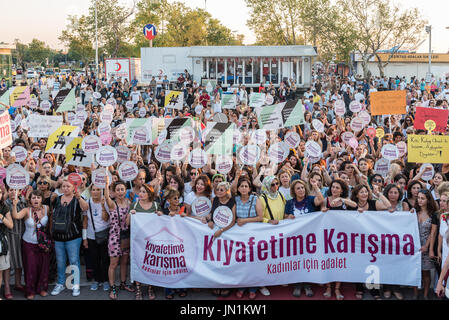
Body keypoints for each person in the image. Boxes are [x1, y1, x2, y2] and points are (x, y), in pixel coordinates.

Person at [346, 184, 391, 300]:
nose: (364, 194)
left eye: (366, 191)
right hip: (356, 240)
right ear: (356, 194)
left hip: (372, 240)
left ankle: (374, 289)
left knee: (373, 264)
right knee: (358, 263)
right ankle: (359, 288)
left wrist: (379, 193)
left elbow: (388, 206)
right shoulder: (352, 205)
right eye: (361, 192)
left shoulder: (373, 203)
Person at [284, 179, 324, 297]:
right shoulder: (289, 203)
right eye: (298, 188)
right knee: (296, 261)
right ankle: (297, 284)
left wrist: (315, 187)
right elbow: (285, 216)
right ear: (294, 191)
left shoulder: (310, 199)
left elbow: (321, 200)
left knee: (307, 261)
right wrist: (288, 217)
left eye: (302, 187)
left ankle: (307, 285)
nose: (301, 190)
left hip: (310, 237)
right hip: (295, 239)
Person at [50, 178, 88, 297]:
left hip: (73, 236)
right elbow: (52, 215)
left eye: (68, 186)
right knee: (60, 262)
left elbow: (85, 208)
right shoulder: (57, 199)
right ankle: (61, 283)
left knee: (73, 261)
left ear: (73, 188)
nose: (65, 188)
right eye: (64, 186)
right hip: (58, 236)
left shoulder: (78, 199)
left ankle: (74, 284)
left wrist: (79, 197)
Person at [321, 179, 356, 300]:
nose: (334, 189)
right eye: (333, 187)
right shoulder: (325, 200)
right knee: (328, 262)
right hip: (327, 236)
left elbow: (355, 205)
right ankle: (328, 287)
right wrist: (323, 210)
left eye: (337, 188)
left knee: (339, 263)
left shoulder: (345, 201)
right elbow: (319, 212)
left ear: (342, 190)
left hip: (342, 237)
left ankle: (337, 288)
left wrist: (342, 200)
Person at [11, 190, 50, 299]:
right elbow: (16, 216)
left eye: (38, 197)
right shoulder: (26, 210)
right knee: (30, 268)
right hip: (29, 244)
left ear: (41, 199)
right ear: (30, 200)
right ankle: (30, 290)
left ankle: (42, 288)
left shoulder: (47, 208)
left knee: (43, 267)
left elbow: (50, 223)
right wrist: (14, 205)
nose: (36, 199)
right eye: (33, 198)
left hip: (43, 244)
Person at [128, 183, 163, 300]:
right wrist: (130, 215)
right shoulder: (135, 204)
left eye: (144, 192)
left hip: (152, 242)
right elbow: (127, 223)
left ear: (149, 194)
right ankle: (138, 289)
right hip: (138, 242)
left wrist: (160, 215)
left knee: (151, 264)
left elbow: (163, 223)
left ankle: (150, 288)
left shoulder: (156, 205)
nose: (141, 194)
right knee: (138, 263)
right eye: (140, 191)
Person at [103, 179, 134, 300]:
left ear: (125, 190)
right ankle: (112, 287)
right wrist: (106, 185)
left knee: (124, 262)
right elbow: (106, 196)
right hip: (114, 237)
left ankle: (123, 283)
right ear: (114, 192)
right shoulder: (112, 204)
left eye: (122, 189)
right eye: (118, 190)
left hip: (126, 236)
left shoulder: (129, 202)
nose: (120, 192)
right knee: (113, 264)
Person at [257, 176, 287, 296]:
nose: (275, 186)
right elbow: (259, 217)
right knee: (265, 258)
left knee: (278, 256)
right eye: (272, 184)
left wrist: (287, 217)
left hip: (280, 231)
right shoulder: (262, 198)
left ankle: (277, 279)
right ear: (267, 186)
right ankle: (262, 284)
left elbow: (283, 210)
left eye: (277, 183)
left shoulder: (280, 195)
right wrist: (268, 221)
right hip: (267, 231)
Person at [234, 177, 262, 299]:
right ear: (238, 188)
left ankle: (253, 288)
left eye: (246, 186)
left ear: (250, 188)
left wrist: (245, 220)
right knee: (241, 262)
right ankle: (242, 286)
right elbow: (233, 218)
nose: (244, 188)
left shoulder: (255, 199)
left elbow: (260, 217)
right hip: (240, 237)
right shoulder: (235, 200)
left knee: (253, 262)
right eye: (242, 186)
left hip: (253, 236)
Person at [208, 181, 236, 297]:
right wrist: (209, 220)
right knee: (215, 260)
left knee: (226, 260)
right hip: (215, 234)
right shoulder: (214, 200)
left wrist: (222, 230)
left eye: (221, 190)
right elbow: (210, 214)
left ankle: (226, 285)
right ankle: (216, 284)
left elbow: (233, 220)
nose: (219, 191)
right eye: (218, 189)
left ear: (227, 191)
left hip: (226, 233)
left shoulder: (232, 202)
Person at [82, 185, 110, 291]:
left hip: (104, 235)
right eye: (93, 190)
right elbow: (85, 221)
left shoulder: (106, 201)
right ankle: (97, 280)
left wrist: (103, 207)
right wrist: (84, 238)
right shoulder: (87, 202)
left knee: (104, 259)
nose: (95, 192)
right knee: (94, 259)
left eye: (98, 189)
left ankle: (105, 280)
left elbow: (106, 218)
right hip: (91, 235)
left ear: (101, 191)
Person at [413, 189, 438, 300]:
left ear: (428, 200)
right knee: (414, 271)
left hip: (426, 245)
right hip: (414, 246)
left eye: (422, 198)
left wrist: (427, 246)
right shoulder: (414, 212)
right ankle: (415, 294)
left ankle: (425, 294)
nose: (420, 200)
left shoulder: (433, 214)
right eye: (418, 198)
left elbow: (433, 232)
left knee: (425, 272)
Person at [0, 188, 14, 301]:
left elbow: (10, 225)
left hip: (1, 242)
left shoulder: (4, 207)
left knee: (0, 271)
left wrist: (1, 217)